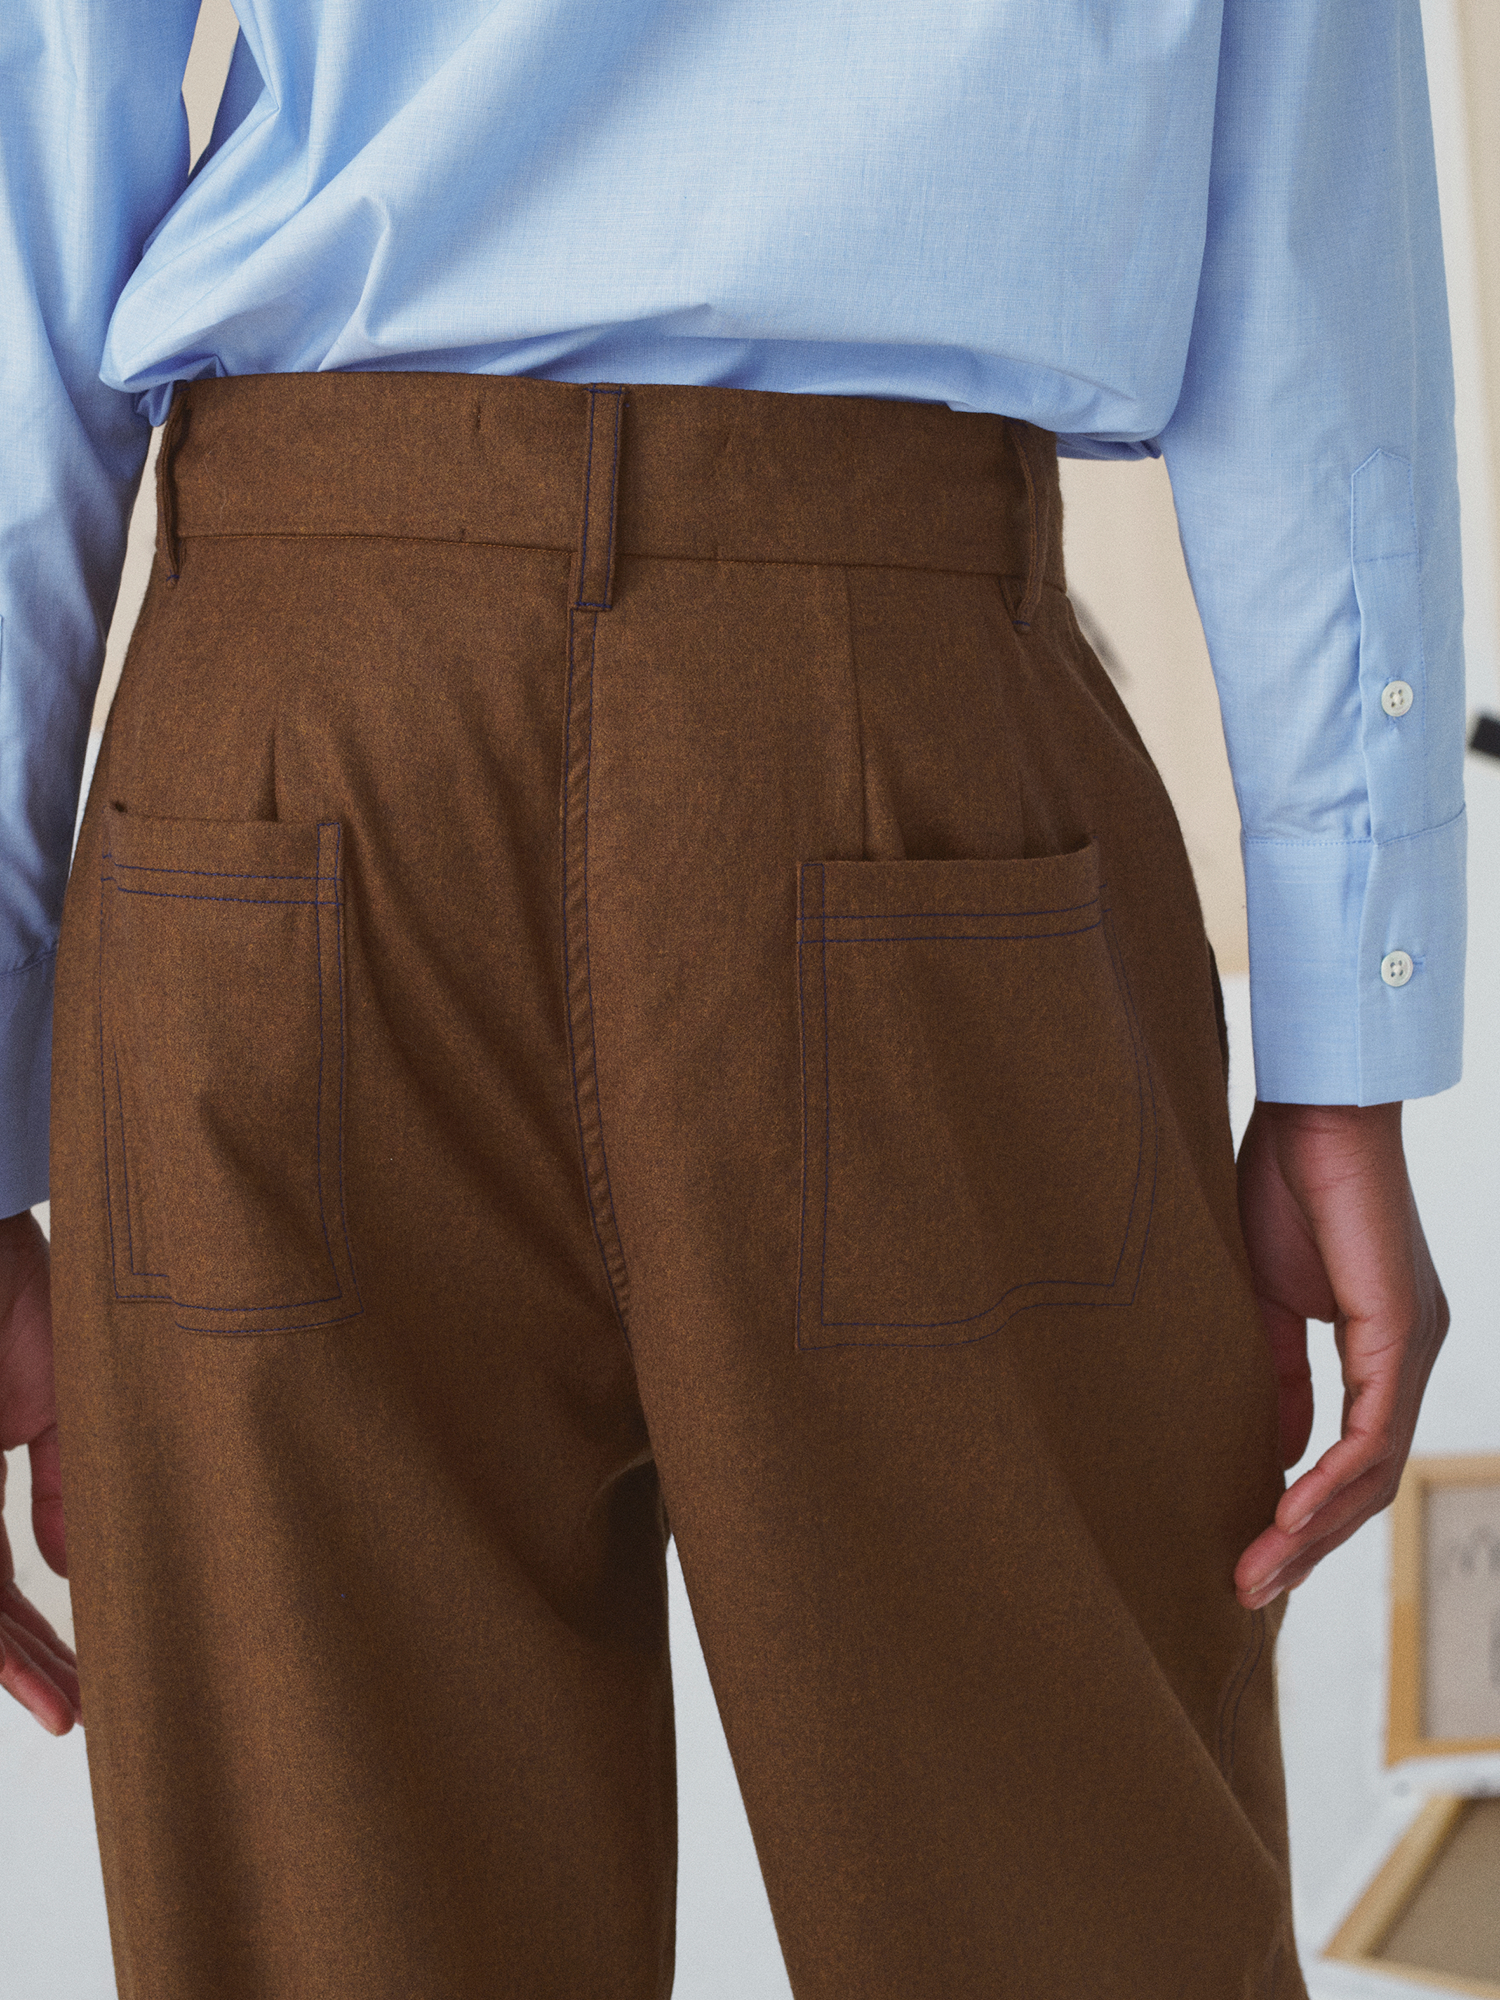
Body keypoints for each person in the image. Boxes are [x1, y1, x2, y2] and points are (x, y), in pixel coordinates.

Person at [0, 3, 1461, 1995]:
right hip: (906, 751)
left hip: (290, 759)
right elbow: (1304, 222)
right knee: (1070, 1927)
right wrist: (1347, 1041)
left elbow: (33, 155)